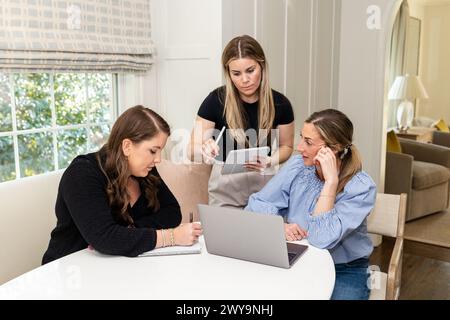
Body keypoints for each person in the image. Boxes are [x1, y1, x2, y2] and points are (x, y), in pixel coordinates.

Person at [42, 105, 202, 264]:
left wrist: (128, 233)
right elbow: (105, 238)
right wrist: (171, 237)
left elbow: (172, 212)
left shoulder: (144, 171)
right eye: (153, 151)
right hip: (69, 270)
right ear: (127, 146)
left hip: (115, 267)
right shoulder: (82, 173)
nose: (158, 159)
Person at [245, 109, 376, 300]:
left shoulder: (361, 187)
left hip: (344, 270)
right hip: (298, 260)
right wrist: (279, 226)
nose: (299, 147)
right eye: (301, 138)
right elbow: (257, 203)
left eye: (308, 142)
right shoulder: (298, 166)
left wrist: (330, 182)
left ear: (334, 148)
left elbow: (320, 239)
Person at [188, 35, 295, 207]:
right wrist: (204, 150)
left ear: (262, 66)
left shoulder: (281, 104)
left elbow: (287, 147)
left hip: (265, 190)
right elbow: (191, 151)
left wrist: (271, 160)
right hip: (225, 193)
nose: (244, 80)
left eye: (250, 70)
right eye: (236, 74)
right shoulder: (215, 101)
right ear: (228, 73)